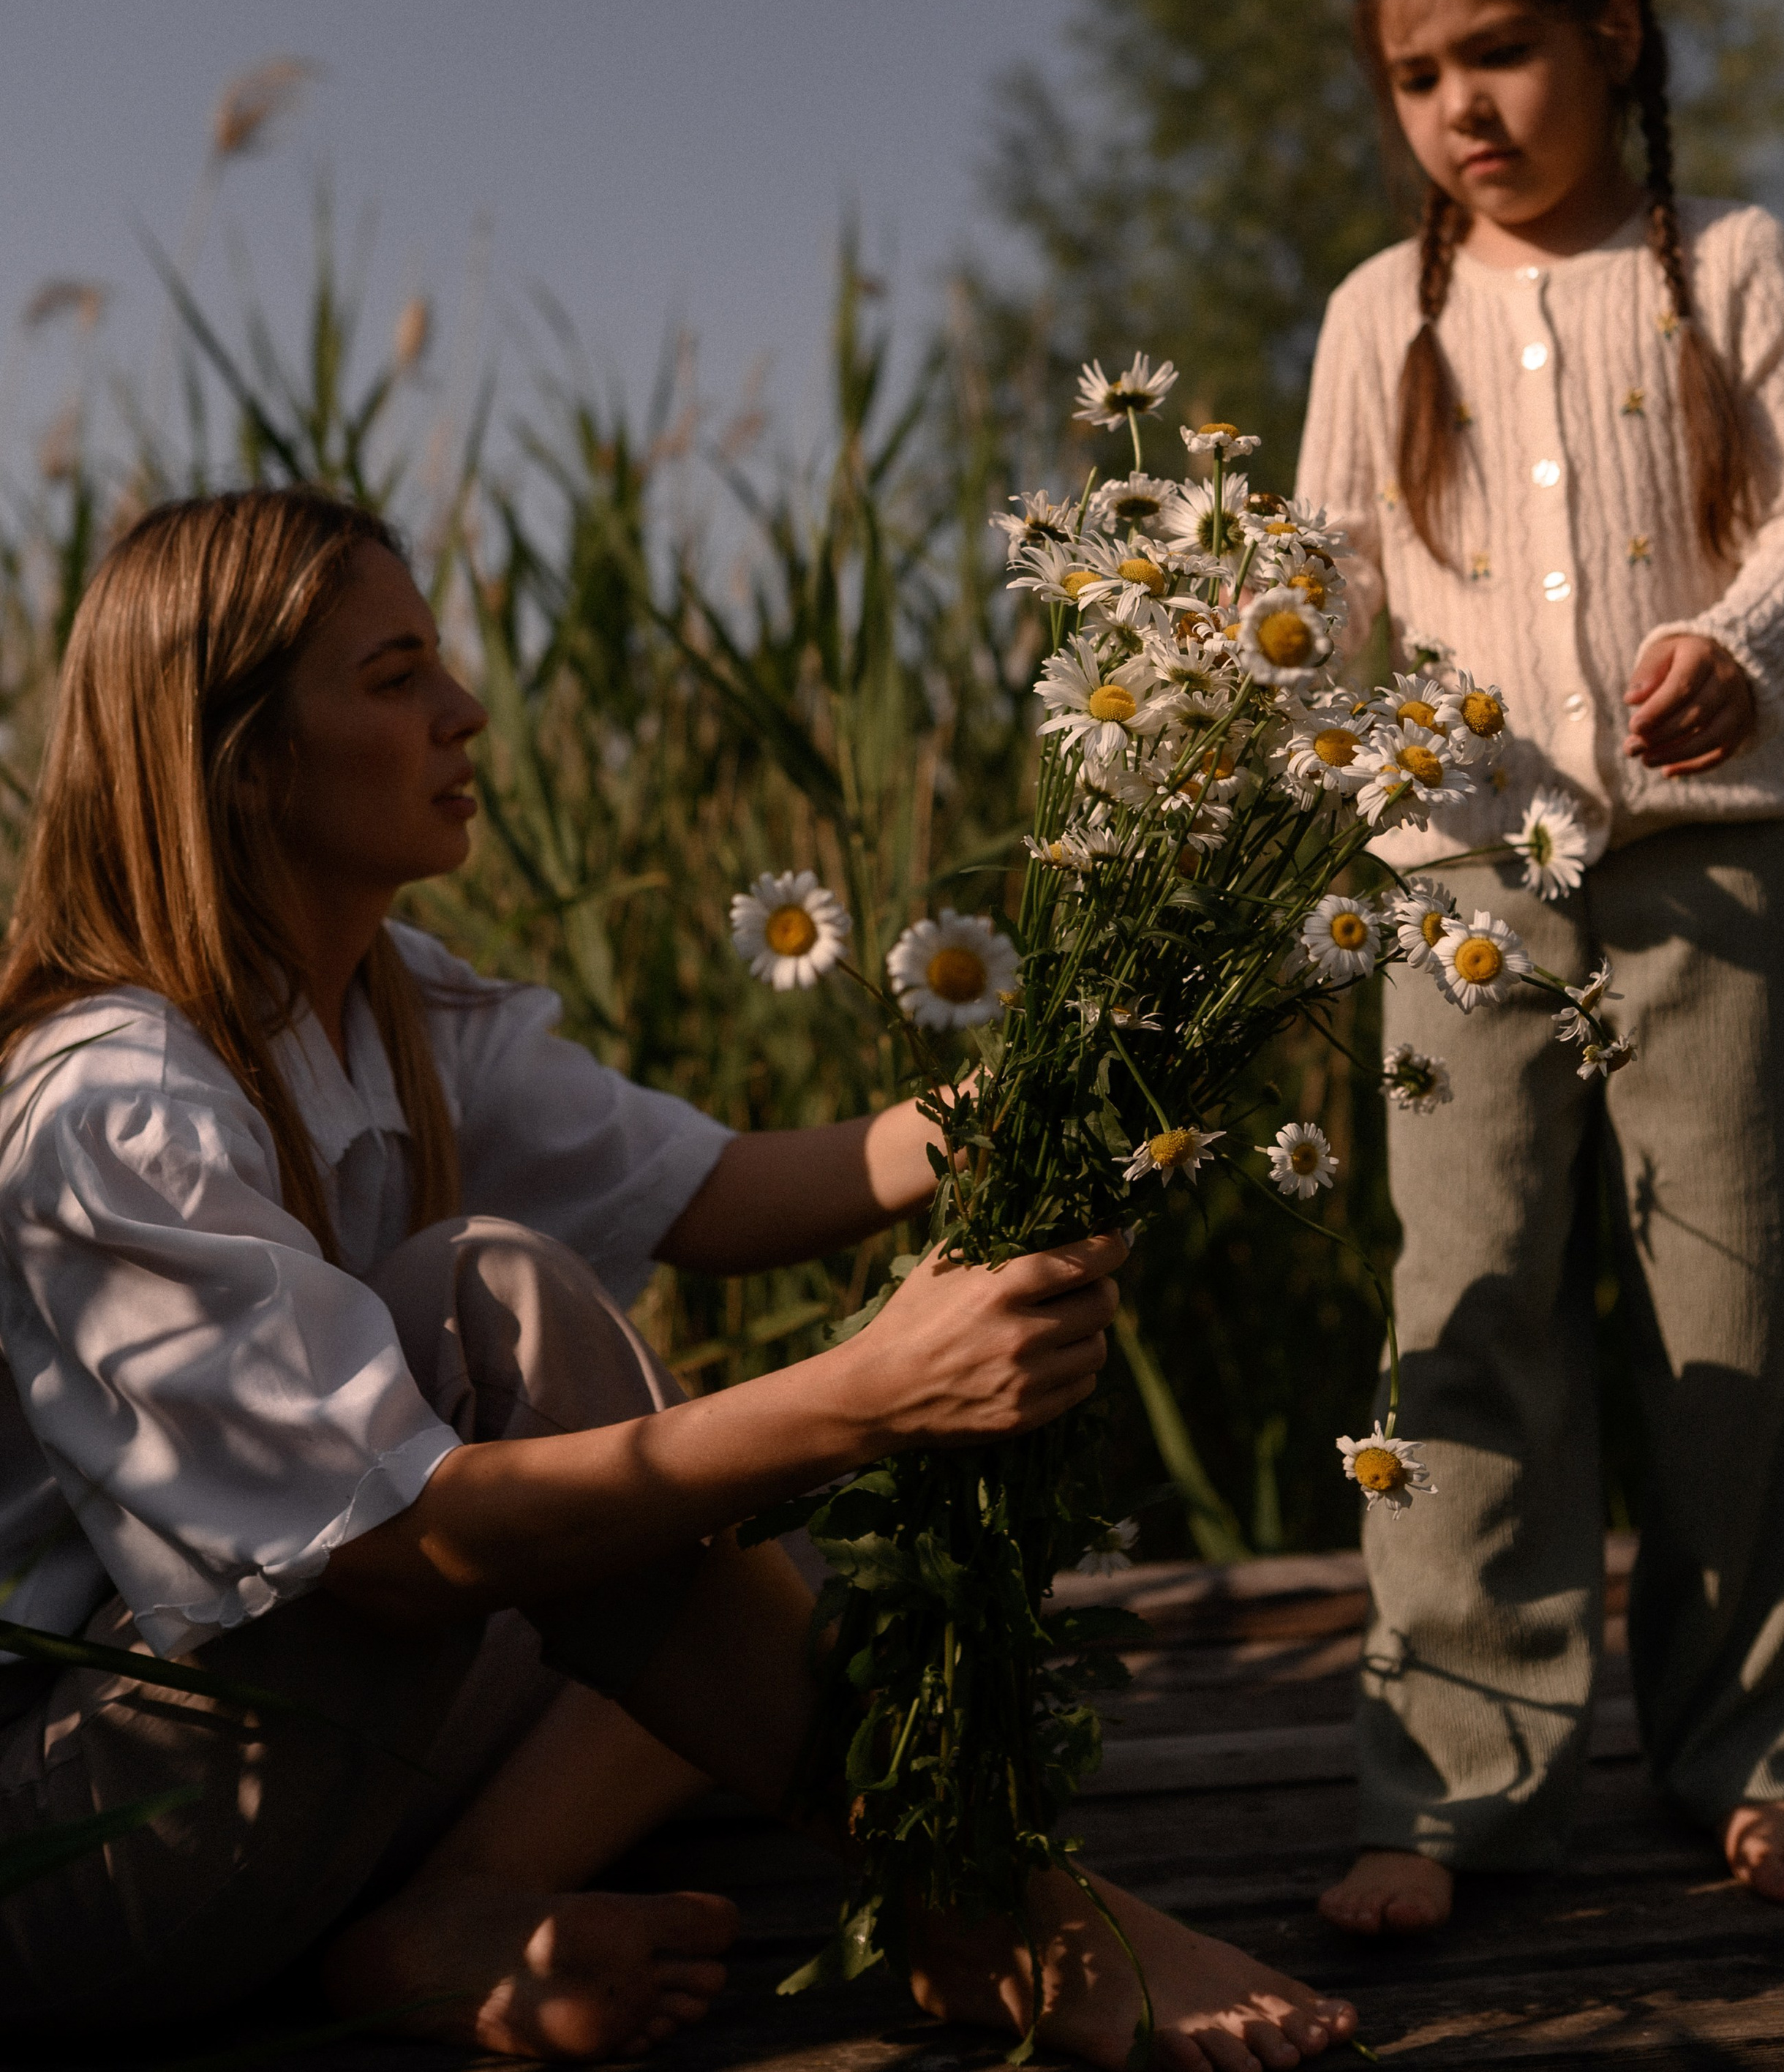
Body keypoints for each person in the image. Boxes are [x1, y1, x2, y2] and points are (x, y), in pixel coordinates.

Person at [0, 486, 1357, 2067]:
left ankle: (456, 1909)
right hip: (90, 1846)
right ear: (241, 758)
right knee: (512, 1312)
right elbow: (392, 1558)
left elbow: (711, 1189)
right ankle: (993, 1909)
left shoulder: (386, 1004)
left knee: (769, 1547)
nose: (465, 711)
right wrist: (866, 1395)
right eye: (395, 678)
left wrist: (1064, 1070)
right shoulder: (118, 1108)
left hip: (303, 1763)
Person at [1294, 0, 1784, 1935]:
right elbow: (1325, 590)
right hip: (1457, 887)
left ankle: (1771, 1753)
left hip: (1700, 864)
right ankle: (1449, 1782)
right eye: (1415, 73)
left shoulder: (1727, 261)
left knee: (1745, 1304)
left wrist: (1739, 643)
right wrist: (1285, 725)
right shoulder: (1379, 314)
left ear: (1611, 32)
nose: (1460, 104)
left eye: (1502, 48)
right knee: (1465, 1306)